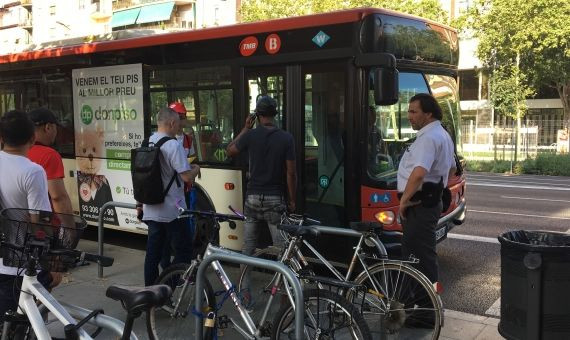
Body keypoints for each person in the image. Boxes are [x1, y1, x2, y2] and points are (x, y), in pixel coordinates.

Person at [226, 95, 296, 294]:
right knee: (282, 251)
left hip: (252, 198)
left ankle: (244, 293)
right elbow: (291, 172)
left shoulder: (250, 135)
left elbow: (230, 150)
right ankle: (284, 297)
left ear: (258, 114)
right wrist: (292, 200)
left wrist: (246, 129)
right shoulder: (286, 138)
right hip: (275, 199)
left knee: (248, 248)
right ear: (275, 114)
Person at [397, 93, 455, 286]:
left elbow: (419, 173)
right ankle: (423, 306)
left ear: (428, 114)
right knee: (422, 255)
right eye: (408, 111)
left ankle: (425, 310)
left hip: (419, 205)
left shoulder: (428, 138)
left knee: (418, 258)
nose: (409, 116)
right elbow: (453, 168)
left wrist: (404, 201)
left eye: (414, 112)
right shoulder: (442, 134)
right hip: (428, 202)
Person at [137, 107, 200, 286]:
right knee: (184, 250)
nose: (179, 125)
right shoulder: (173, 145)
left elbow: (140, 179)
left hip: (151, 207)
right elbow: (186, 176)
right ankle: (167, 287)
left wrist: (139, 205)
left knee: (153, 253)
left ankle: (150, 293)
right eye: (178, 122)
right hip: (173, 209)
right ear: (172, 123)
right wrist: (197, 169)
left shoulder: (146, 142)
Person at [0, 110, 54, 317]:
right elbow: (39, 221)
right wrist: (51, 264)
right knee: (28, 324)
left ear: (2, 137)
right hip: (21, 265)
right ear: (32, 138)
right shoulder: (32, 171)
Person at [27, 108, 73, 215]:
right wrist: (69, 228)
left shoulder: (16, 152)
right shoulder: (49, 155)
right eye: (55, 128)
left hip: (17, 222)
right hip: (43, 224)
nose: (56, 132)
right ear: (48, 127)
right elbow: (58, 198)